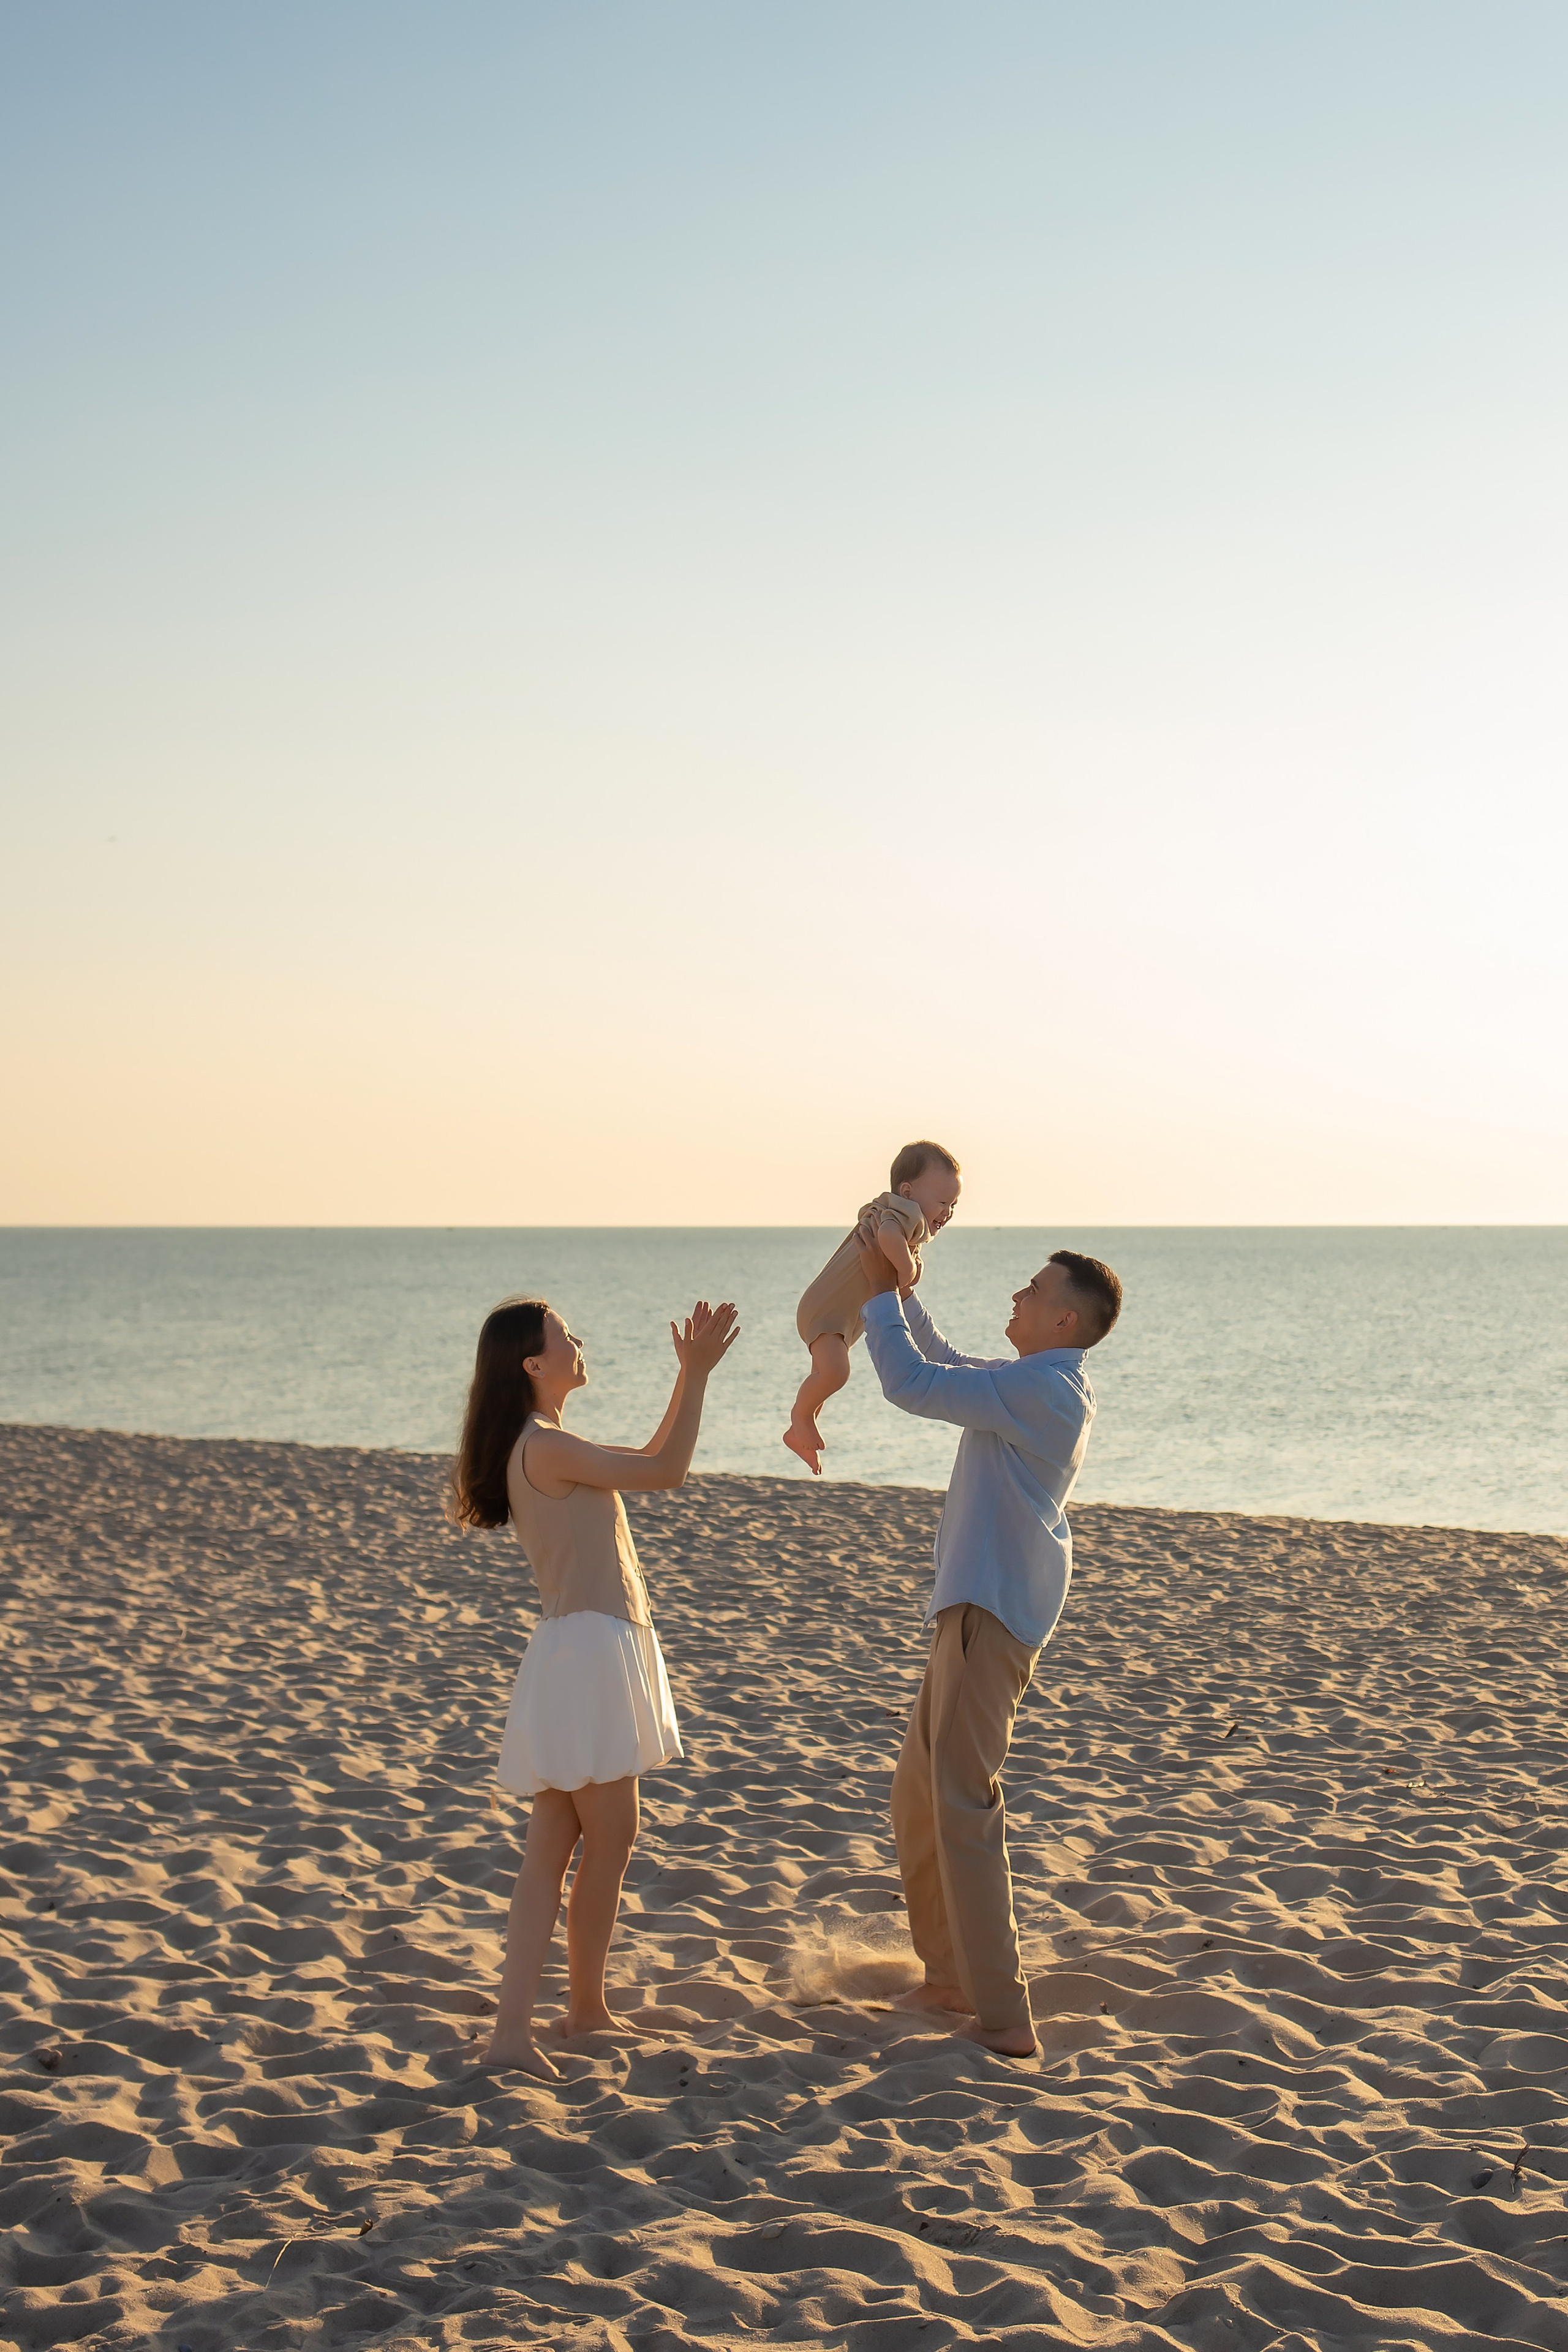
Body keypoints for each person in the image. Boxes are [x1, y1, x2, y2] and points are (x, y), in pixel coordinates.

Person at [451, 1291, 739, 2079]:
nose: (578, 1342)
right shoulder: (542, 1446)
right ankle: (557, 2017)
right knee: (606, 1838)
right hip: (585, 1657)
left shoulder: (540, 1443)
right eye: (564, 1335)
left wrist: (689, 1375)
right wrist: (697, 1373)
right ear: (532, 1364)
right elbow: (666, 1469)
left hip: (580, 1654)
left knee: (558, 1845)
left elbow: (651, 1463)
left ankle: (560, 2018)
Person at [855, 1232, 1122, 2056]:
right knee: (918, 1799)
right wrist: (903, 1294)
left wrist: (872, 1295)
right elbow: (941, 1362)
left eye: (1031, 1289)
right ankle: (947, 1976)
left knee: (962, 1806)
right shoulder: (1025, 1382)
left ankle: (1003, 2016)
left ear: (1064, 1316)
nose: (1017, 1295)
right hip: (968, 1614)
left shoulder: (1048, 1393)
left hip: (990, 1617)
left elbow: (910, 1382)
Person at [784, 1140, 962, 1475]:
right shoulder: (900, 1214)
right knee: (836, 1374)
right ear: (907, 1192)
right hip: (828, 1310)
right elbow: (889, 1238)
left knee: (823, 1376)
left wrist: (909, 1264)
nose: (948, 1212)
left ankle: (800, 1435)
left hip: (838, 1314)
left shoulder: (906, 1221)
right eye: (942, 1202)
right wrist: (908, 1270)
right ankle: (800, 1418)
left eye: (954, 1204)